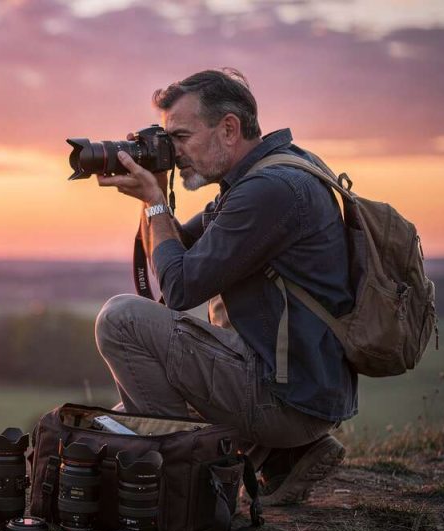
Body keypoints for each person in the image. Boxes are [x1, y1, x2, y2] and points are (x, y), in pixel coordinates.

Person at [94, 68, 354, 505]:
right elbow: (183, 245)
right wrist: (151, 193)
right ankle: (279, 456)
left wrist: (155, 202)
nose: (174, 153)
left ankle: (185, 481)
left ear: (229, 128)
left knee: (120, 320)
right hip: (302, 392)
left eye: (180, 136)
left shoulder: (271, 191)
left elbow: (178, 287)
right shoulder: (271, 173)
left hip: (284, 398)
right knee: (113, 424)